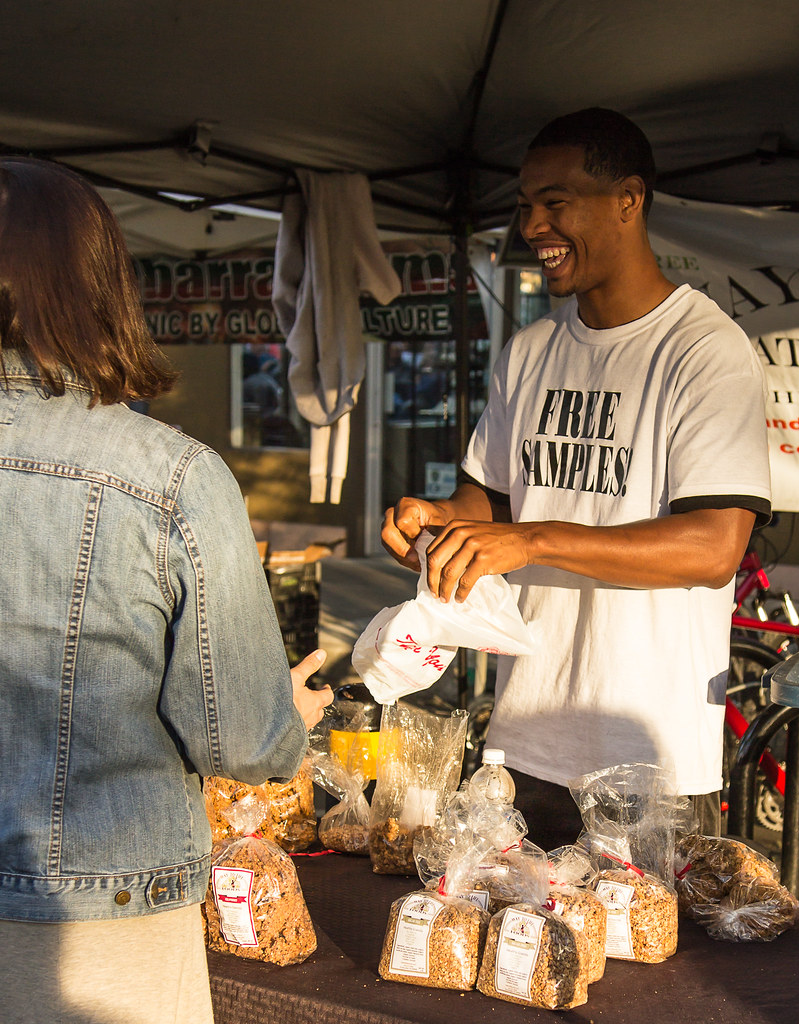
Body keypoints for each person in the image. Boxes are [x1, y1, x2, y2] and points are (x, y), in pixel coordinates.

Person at [0, 157, 334, 1024]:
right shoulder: (172, 479)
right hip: (101, 922)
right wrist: (289, 713)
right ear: (100, 286)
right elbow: (244, 742)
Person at [382, 108, 771, 850]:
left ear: (628, 200)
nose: (533, 225)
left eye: (556, 202)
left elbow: (713, 546)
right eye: (526, 205)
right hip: (527, 743)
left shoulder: (705, 350)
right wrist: (439, 524)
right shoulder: (529, 350)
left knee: (648, 965)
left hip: (649, 765)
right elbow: (488, 501)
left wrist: (528, 541)